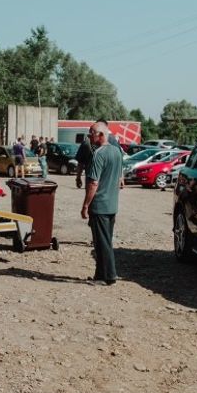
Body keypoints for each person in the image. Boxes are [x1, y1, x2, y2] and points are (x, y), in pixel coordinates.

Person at [81, 121, 124, 285]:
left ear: (101, 135)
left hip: (100, 205)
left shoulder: (98, 154)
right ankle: (100, 275)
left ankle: (109, 276)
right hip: (112, 205)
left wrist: (85, 205)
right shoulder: (116, 152)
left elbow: (93, 183)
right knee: (102, 241)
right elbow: (120, 176)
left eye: (91, 133)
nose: (89, 136)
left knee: (103, 243)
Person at [74, 124, 95, 189]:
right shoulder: (108, 143)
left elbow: (80, 164)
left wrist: (78, 178)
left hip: (90, 177)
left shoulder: (86, 143)